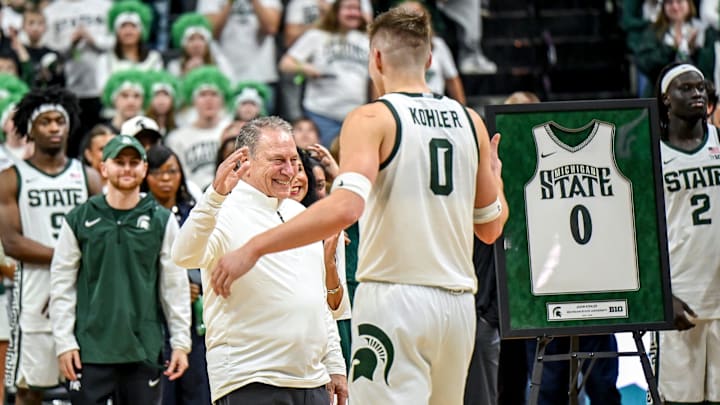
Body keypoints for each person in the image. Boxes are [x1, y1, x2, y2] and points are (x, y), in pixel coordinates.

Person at [206, 7, 508, 404]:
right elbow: (490, 228)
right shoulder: (471, 121)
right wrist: (496, 178)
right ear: (431, 59)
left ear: (376, 58)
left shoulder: (372, 117)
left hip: (397, 299)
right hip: (457, 304)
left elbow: (346, 208)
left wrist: (254, 247)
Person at [171, 116, 347, 404]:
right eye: (278, 160)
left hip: (312, 380)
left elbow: (317, 301)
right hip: (250, 378)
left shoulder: (299, 215)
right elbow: (183, 255)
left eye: (293, 159)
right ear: (245, 161)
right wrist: (214, 197)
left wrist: (335, 365)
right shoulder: (220, 208)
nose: (289, 170)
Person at [49, 135, 191, 405]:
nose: (127, 168)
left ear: (144, 169)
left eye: (134, 162)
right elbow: (61, 285)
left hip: (143, 350)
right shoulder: (79, 218)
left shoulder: (162, 220)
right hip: (89, 351)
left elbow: (174, 286)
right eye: (119, 162)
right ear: (103, 168)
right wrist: (64, 342)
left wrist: (181, 342)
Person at [0, 86, 102, 405]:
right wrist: (67, 260)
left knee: (90, 388)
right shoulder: (11, 178)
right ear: (29, 128)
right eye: (46, 121)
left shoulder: (89, 177)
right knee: (31, 388)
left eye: (60, 120)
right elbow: (13, 243)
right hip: (34, 289)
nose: (55, 127)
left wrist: (69, 274)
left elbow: (101, 238)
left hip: (83, 289)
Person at [654, 62, 720, 404]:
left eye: (701, 87)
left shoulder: (719, 141)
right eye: (687, 88)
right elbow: (644, 234)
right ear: (666, 99)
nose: (697, 93)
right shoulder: (652, 154)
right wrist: (663, 295)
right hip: (681, 297)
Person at [278, 0, 371, 146]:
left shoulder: (366, 40)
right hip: (321, 116)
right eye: (349, 9)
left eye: (357, 9)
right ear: (336, 11)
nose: (354, 13)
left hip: (355, 116)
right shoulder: (316, 36)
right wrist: (308, 68)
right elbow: (285, 63)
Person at [97, 0, 163, 90]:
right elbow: (103, 90)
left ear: (142, 32)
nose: (128, 31)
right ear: (116, 32)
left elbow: (156, 89)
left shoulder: (154, 58)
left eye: (133, 26)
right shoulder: (104, 60)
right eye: (123, 26)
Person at [167, 12, 234, 81]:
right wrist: (185, 74)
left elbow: (230, 85)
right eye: (191, 39)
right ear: (184, 45)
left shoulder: (220, 64)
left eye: (201, 38)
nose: (196, 45)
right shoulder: (175, 67)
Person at [101, 69, 147, 134]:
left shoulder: (149, 134)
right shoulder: (101, 134)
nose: (131, 101)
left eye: (136, 96)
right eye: (124, 95)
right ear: (114, 100)